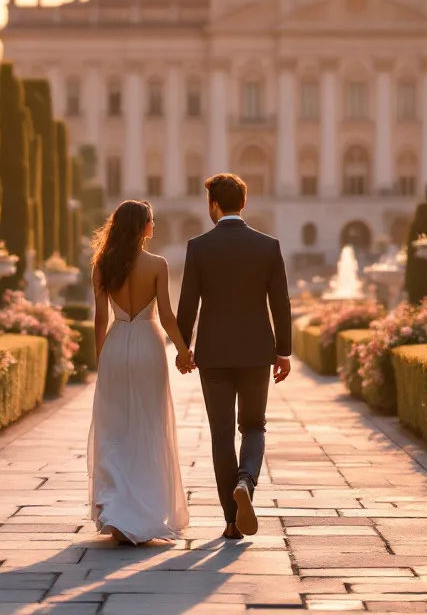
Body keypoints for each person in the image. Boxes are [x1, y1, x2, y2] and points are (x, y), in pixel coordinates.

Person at [177, 174, 292, 540]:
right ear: (244, 203)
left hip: (213, 353)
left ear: (213, 205)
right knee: (254, 426)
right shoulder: (268, 246)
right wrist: (284, 351)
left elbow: (187, 304)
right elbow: (281, 303)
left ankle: (230, 520)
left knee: (221, 435)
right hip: (257, 350)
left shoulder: (198, 246)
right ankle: (246, 482)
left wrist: (182, 348)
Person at [87, 200, 191, 544]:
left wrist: (101, 359)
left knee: (115, 428)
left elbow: (100, 319)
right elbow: (168, 316)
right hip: (149, 345)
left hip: (116, 344)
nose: (154, 226)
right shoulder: (157, 264)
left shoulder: (102, 265)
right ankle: (144, 508)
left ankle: (117, 512)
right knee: (149, 425)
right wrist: (183, 350)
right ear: (142, 225)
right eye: (151, 221)